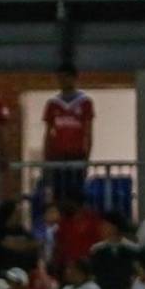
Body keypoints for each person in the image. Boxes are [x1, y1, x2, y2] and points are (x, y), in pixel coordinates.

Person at [42, 67, 94, 204]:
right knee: (58, 197)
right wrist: (46, 159)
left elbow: (88, 133)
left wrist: (86, 160)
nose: (62, 81)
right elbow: (48, 133)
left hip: (77, 156)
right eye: (60, 78)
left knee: (76, 197)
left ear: (74, 78)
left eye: (66, 77)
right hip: (57, 157)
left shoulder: (85, 102)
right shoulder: (53, 104)